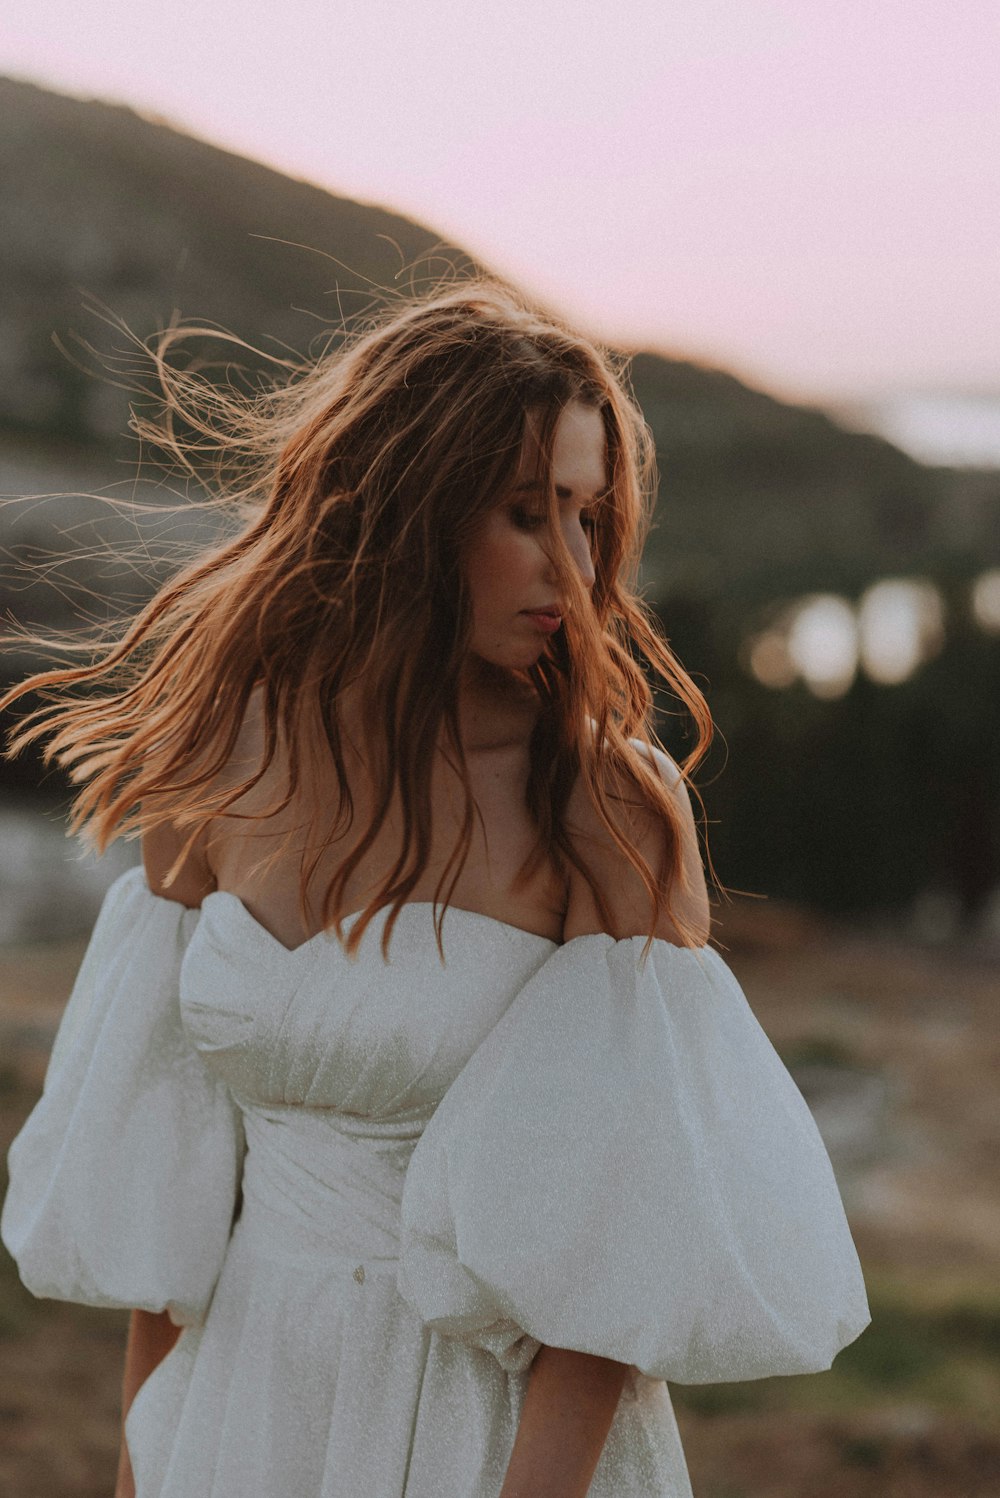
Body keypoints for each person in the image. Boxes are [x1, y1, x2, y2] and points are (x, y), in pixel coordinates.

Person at [0, 278, 870, 1498]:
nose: (571, 568)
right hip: (240, 1407)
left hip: (481, 1429)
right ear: (410, 508)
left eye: (585, 516)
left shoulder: (599, 800)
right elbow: (173, 1195)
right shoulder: (224, 757)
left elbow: (611, 1243)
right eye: (527, 513)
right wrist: (148, 1459)